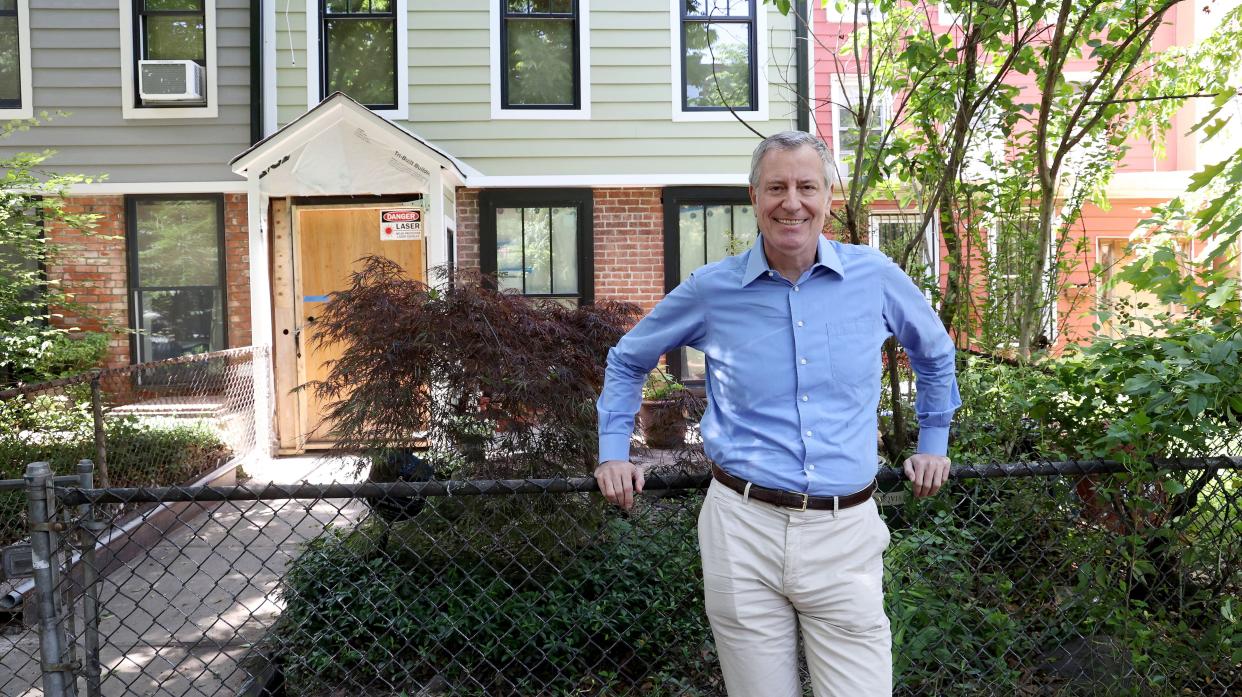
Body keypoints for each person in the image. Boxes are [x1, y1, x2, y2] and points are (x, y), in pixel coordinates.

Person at [594, 131, 961, 696]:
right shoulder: (712, 290)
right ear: (754, 197)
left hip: (846, 535)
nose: (793, 202)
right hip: (741, 529)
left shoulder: (875, 278)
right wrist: (614, 453)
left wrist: (933, 440)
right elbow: (627, 360)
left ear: (829, 197)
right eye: (777, 187)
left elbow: (935, 353)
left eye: (807, 186)